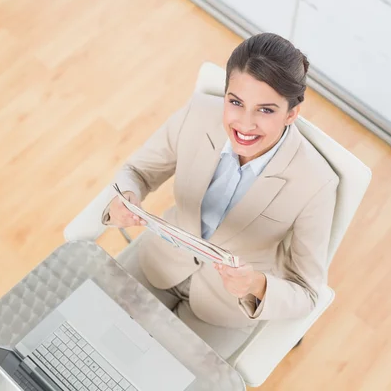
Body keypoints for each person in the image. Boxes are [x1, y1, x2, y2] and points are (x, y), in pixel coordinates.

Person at [101, 33, 338, 358]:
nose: (245, 123)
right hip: (157, 264)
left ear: (291, 114)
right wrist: (127, 195)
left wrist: (256, 285)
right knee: (100, 343)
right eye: (236, 102)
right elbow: (138, 172)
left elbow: (307, 291)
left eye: (265, 110)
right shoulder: (198, 113)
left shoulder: (317, 183)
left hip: (224, 310)